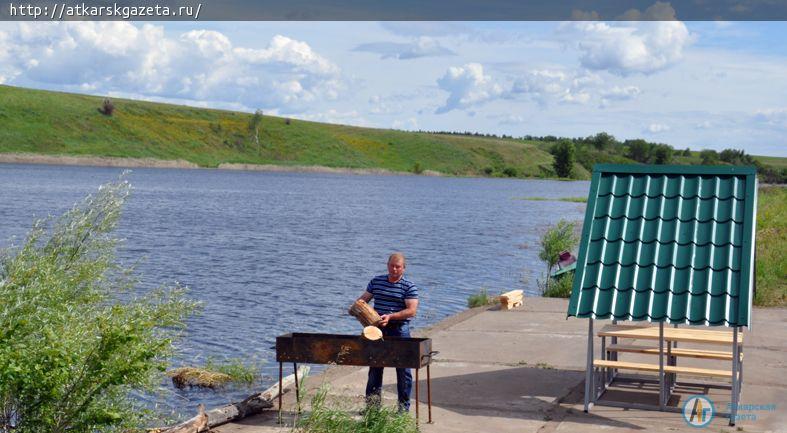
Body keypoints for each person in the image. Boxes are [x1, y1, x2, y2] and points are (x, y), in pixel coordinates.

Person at [352, 252, 419, 412]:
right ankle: (372, 408)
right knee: (375, 367)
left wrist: (391, 316)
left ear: (403, 268)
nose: (394, 269)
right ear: (387, 265)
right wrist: (358, 308)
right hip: (377, 328)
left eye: (398, 267)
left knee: (403, 370)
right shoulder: (376, 281)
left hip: (399, 329)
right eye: (391, 266)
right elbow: (364, 299)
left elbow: (411, 311)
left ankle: (403, 409)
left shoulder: (409, 287)